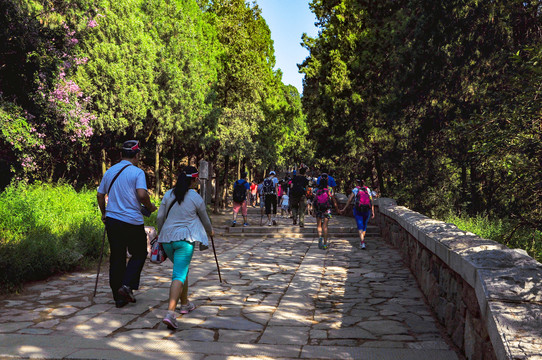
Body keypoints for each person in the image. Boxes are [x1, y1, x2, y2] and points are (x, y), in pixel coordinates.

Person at [97, 140, 157, 308]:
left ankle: (119, 297)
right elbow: (142, 194)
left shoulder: (110, 171)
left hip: (113, 221)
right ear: (137, 155)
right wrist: (150, 206)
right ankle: (126, 286)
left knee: (117, 256)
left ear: (122, 154)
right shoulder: (137, 173)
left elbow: (100, 195)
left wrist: (104, 213)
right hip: (132, 221)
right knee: (138, 253)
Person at [156, 165, 214, 330]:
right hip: (184, 240)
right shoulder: (195, 197)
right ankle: (170, 313)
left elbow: (160, 217)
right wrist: (210, 232)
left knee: (182, 271)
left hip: (167, 239)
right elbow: (205, 219)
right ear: (194, 180)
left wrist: (162, 234)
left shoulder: (169, 194)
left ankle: (185, 303)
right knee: (179, 275)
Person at [340, 179, 375, 250]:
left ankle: (362, 242)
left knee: (360, 225)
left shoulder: (355, 190)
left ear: (357, 183)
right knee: (364, 226)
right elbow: (371, 201)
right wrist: (373, 211)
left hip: (358, 210)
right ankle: (362, 241)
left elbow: (349, 200)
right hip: (367, 210)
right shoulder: (367, 190)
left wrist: (344, 208)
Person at [313, 174, 339, 250]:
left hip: (318, 209)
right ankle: (325, 244)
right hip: (327, 209)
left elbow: (314, 200)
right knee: (325, 226)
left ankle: (320, 237)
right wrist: (337, 209)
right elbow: (333, 200)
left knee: (319, 226)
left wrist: (313, 210)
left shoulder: (317, 190)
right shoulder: (329, 189)